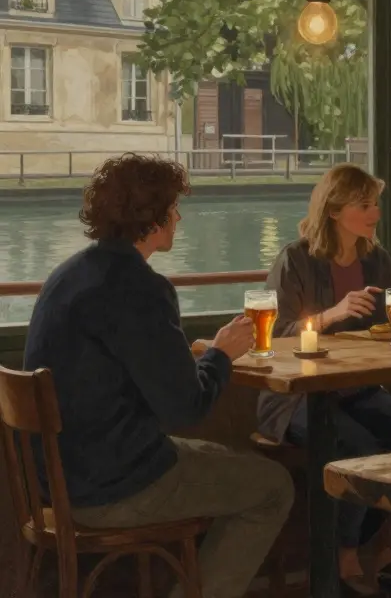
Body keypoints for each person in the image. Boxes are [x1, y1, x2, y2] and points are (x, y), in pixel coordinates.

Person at [23, 153, 293, 598]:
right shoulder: (140, 287)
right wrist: (222, 354)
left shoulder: (69, 274)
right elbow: (185, 407)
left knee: (219, 457)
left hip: (56, 481)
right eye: (173, 207)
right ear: (154, 216)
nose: (179, 216)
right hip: (113, 487)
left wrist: (194, 359)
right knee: (273, 486)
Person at [261, 163, 391, 595]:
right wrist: (332, 314)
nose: (374, 212)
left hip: (356, 387)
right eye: (363, 204)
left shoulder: (377, 260)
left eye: (375, 203)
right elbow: (276, 337)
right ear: (334, 210)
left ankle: (386, 546)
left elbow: (385, 330)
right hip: (297, 398)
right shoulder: (295, 259)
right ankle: (348, 551)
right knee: (360, 448)